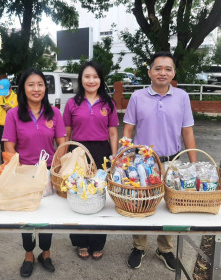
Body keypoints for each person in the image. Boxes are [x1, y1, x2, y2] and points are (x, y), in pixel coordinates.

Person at [123, 51, 197, 271]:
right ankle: (139, 246)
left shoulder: (182, 97)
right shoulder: (137, 97)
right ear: (150, 72)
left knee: (170, 207)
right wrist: (125, 159)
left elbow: (188, 132)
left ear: (174, 72)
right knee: (141, 206)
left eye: (168, 68)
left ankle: (164, 249)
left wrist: (193, 165)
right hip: (141, 164)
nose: (162, 72)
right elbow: (128, 129)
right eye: (158, 68)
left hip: (171, 162)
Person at [2, 68, 66, 277]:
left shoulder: (54, 113)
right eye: (31, 84)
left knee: (48, 215)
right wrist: (19, 171)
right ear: (23, 88)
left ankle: (45, 253)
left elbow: (62, 144)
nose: (36, 89)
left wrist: (55, 169)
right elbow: (9, 147)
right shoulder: (13, 114)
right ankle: (29, 254)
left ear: (45, 88)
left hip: (48, 173)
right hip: (24, 173)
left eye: (40, 84)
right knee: (26, 215)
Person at [62, 61, 119, 260]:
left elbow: (113, 132)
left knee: (98, 195)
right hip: (78, 153)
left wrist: (115, 157)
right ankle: (81, 241)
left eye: (95, 76)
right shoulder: (71, 103)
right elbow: (66, 133)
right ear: (81, 79)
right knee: (78, 195)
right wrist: (63, 158)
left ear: (101, 79)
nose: (91, 80)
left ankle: (97, 242)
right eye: (87, 76)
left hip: (101, 153)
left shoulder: (108, 103)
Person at [0, 79, 17, 162]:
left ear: (10, 89)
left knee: (14, 147)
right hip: (2, 127)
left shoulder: (17, 98)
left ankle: (14, 165)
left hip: (14, 127)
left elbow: (20, 113)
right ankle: (4, 165)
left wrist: (9, 109)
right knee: (3, 148)